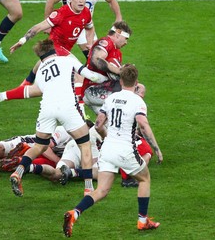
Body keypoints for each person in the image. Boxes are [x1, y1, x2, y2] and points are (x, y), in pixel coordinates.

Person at [63, 64, 163, 237]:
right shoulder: (138, 101)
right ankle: (142, 221)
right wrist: (157, 149)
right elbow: (144, 126)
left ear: (121, 80)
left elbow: (99, 123)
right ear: (136, 82)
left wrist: (107, 136)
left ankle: (75, 213)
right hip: (125, 150)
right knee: (145, 179)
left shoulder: (111, 99)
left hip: (108, 148)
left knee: (101, 190)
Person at [9, 38, 109, 197]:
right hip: (67, 108)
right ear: (54, 50)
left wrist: (2, 96)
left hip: (46, 109)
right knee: (84, 145)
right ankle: (88, 188)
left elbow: (31, 90)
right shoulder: (66, 60)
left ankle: (18, 172)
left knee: (38, 146)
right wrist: (110, 78)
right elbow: (92, 76)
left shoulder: (41, 70)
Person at [44, 0, 122, 59]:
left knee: (96, 57)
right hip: (67, 27)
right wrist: (48, 24)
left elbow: (111, 0)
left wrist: (118, 17)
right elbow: (50, 1)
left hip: (86, 25)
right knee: (55, 57)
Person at [82, 21, 133, 114]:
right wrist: (119, 71)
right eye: (126, 38)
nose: (126, 42)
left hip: (103, 88)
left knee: (108, 124)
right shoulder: (106, 42)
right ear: (117, 35)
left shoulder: (118, 53)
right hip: (93, 88)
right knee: (130, 94)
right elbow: (96, 60)